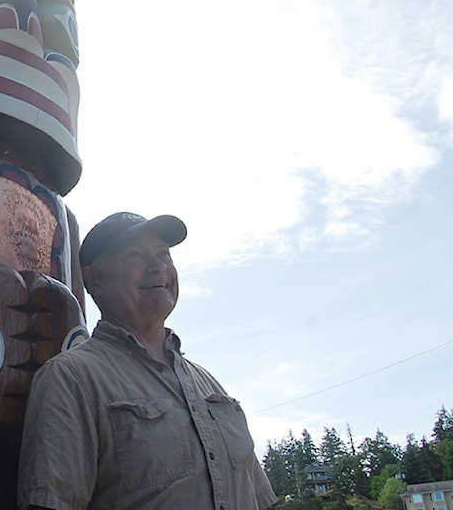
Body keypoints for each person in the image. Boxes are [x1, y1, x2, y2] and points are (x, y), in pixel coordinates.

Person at [18, 212, 277, 510]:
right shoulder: (70, 378)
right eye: (136, 256)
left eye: (164, 254)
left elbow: (261, 499)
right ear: (94, 279)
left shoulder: (208, 384)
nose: (159, 267)